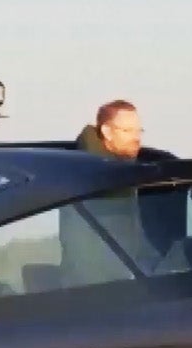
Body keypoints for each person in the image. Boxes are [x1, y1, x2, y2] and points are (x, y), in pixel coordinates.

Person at [61, 100, 147, 282]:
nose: (137, 137)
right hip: (96, 291)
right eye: (128, 131)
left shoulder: (121, 170)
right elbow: (84, 255)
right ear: (107, 132)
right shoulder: (91, 174)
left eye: (139, 131)